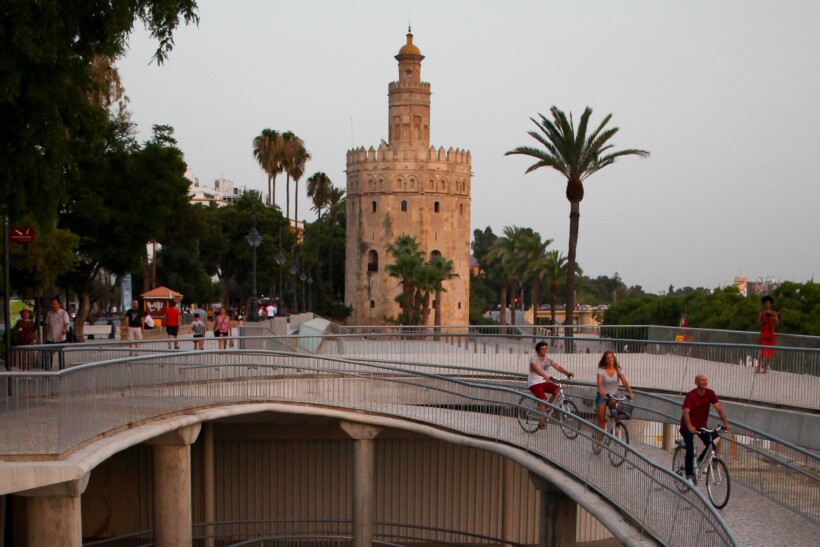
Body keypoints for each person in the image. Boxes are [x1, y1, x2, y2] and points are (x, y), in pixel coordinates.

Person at [679, 374, 731, 483]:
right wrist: (689, 426)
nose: (705, 382)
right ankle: (689, 476)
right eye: (702, 380)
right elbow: (685, 412)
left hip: (701, 426)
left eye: (706, 380)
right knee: (690, 448)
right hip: (688, 426)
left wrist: (725, 423)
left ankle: (700, 460)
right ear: (696, 382)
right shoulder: (691, 395)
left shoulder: (710, 393)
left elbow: (719, 409)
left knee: (714, 440)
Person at [594, 351, 635, 452]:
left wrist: (630, 392)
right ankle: (598, 443)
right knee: (601, 421)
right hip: (602, 396)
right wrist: (602, 390)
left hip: (612, 396)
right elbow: (599, 382)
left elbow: (624, 382)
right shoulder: (601, 370)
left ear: (614, 359)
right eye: (608, 358)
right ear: (604, 359)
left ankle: (616, 426)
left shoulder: (618, 369)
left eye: (611, 358)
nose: (610, 360)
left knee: (616, 410)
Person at [527, 341, 575, 429]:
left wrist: (567, 373)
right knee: (542, 399)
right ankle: (541, 422)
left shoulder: (548, 359)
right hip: (534, 382)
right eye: (542, 349)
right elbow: (537, 369)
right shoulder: (533, 359)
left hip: (544, 381)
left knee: (557, 390)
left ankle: (546, 409)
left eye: (546, 348)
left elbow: (558, 367)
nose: (545, 350)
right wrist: (545, 375)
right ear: (538, 351)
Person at [45, 296, 71, 369]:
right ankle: (48, 373)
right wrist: (45, 336)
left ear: (59, 304)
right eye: (52, 304)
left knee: (61, 356)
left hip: (60, 338)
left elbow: (66, 324)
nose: (54, 306)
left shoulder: (64, 313)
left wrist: (63, 333)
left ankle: (61, 371)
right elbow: (47, 325)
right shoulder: (49, 313)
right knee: (48, 357)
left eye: (55, 304)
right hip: (50, 338)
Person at [758, 295, 779, 374]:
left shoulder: (773, 313)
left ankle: (765, 369)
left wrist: (774, 317)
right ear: (764, 304)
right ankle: (759, 367)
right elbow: (759, 323)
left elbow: (777, 322)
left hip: (771, 334)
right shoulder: (761, 313)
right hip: (764, 333)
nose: (768, 305)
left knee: (769, 352)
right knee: (762, 351)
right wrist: (764, 321)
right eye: (766, 303)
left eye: (769, 303)